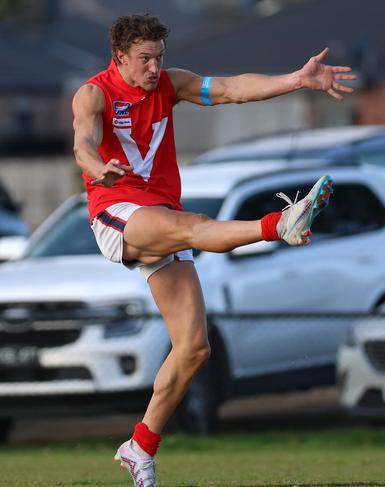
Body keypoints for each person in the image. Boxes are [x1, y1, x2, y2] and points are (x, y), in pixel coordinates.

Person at [71, 13, 355, 487]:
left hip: (161, 216)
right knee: (193, 226)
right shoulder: (95, 93)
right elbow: (81, 141)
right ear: (119, 55)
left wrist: (297, 80)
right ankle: (279, 224)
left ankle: (140, 447)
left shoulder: (170, 84)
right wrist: (97, 166)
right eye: (144, 59)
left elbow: (230, 89)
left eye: (159, 57)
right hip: (115, 212)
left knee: (194, 348)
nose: (155, 67)